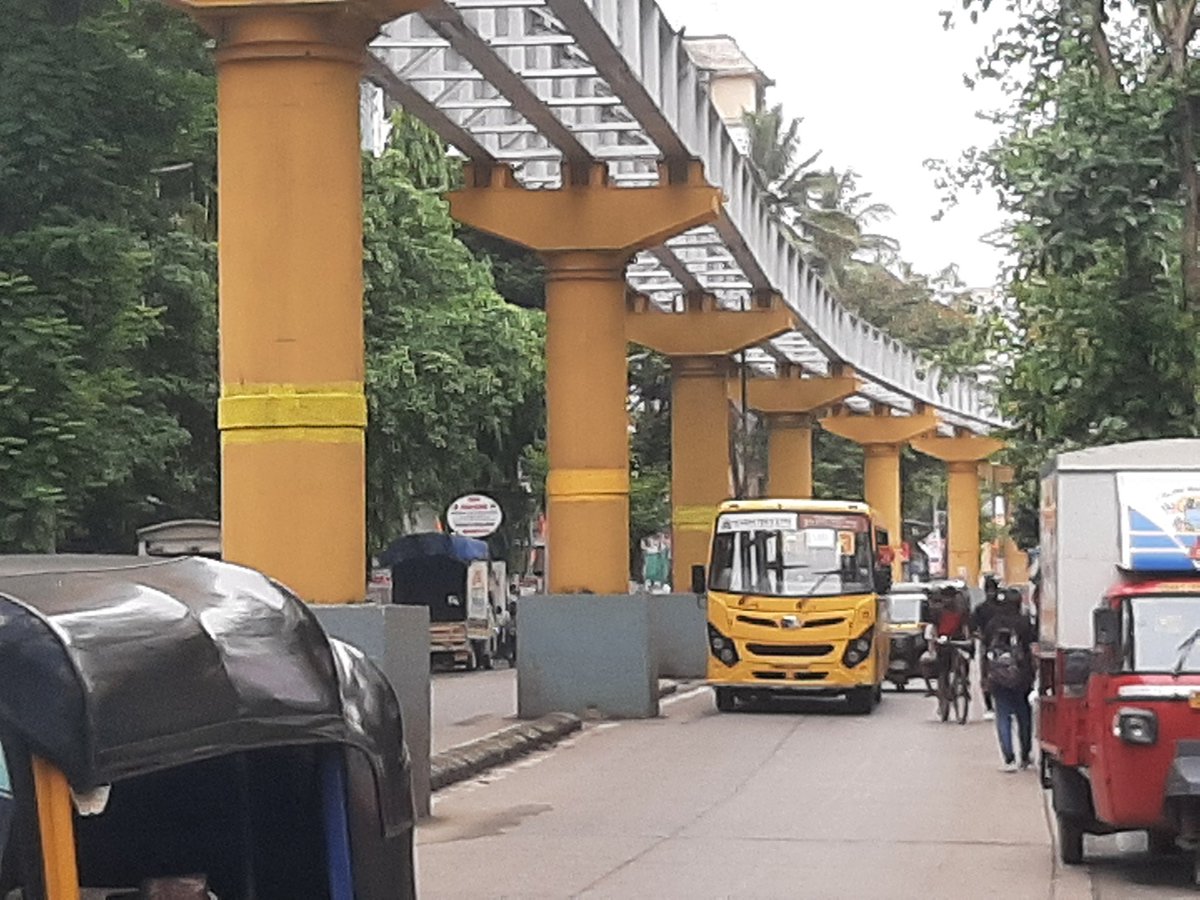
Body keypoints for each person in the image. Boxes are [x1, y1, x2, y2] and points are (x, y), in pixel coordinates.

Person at [983, 589, 1037, 772]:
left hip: (998, 677)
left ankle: (1008, 757)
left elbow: (985, 651)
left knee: (1003, 716)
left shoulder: (992, 624)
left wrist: (985, 677)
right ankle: (1025, 755)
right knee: (1024, 715)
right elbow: (1032, 647)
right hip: (1021, 676)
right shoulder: (1024, 623)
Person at [920, 584, 972, 700]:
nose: (949, 600)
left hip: (958, 639)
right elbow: (934, 627)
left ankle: (964, 683)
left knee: (965, 659)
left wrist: (968, 638)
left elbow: (965, 626)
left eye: (951, 597)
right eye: (946, 597)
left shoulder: (961, 611)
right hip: (943, 641)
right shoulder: (937, 611)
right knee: (944, 667)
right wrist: (934, 641)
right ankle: (944, 690)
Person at [971, 574, 1006, 720]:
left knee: (986, 675)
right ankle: (996, 705)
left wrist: (979, 636)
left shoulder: (981, 608)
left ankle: (990, 706)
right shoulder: (1002, 608)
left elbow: (973, 628)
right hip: (1001, 646)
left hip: (989, 645)